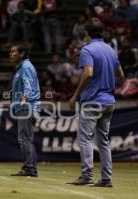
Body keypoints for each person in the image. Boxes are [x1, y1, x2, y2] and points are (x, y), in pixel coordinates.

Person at [68, 18, 126, 187]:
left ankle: (87, 176)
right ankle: (107, 179)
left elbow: (88, 73)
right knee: (103, 141)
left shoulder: (87, 49)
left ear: (87, 33)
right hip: (109, 101)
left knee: (85, 139)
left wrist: (75, 95)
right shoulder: (110, 50)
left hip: (92, 100)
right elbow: (121, 77)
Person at [9, 44, 41, 177]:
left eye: (13, 52)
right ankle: (31, 168)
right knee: (27, 139)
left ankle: (28, 168)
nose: (10, 54)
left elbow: (27, 85)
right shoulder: (23, 67)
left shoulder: (25, 67)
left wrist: (24, 99)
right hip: (27, 106)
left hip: (26, 106)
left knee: (24, 139)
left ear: (21, 54)